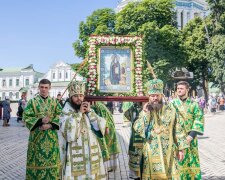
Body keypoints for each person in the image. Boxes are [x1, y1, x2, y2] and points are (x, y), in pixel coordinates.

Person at [133, 79, 189, 179]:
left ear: (161, 95)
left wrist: (181, 149)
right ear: (149, 97)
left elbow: (178, 129)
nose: (155, 98)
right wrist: (146, 115)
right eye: (152, 96)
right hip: (151, 151)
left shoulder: (171, 111)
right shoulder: (145, 111)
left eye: (157, 95)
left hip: (169, 152)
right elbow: (137, 127)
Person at [60, 81, 107, 179]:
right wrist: (79, 114)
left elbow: (99, 127)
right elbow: (68, 133)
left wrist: (89, 112)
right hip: (75, 153)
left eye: (81, 95)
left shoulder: (88, 109)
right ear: (70, 97)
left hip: (91, 152)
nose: (79, 99)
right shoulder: (66, 111)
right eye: (76, 96)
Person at [23, 79, 62, 179]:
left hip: (51, 138)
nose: (43, 89)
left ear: (49, 88)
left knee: (52, 162)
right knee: (37, 162)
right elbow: (26, 117)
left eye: (46, 87)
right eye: (42, 87)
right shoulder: (32, 102)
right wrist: (40, 120)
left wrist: (50, 125)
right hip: (37, 138)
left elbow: (61, 117)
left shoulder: (55, 102)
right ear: (38, 87)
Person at [171, 81, 204, 179]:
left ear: (187, 89)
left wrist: (191, 135)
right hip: (177, 139)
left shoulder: (194, 104)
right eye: (178, 89)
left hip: (191, 139)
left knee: (191, 161)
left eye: (181, 88)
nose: (179, 90)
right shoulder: (172, 104)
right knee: (178, 162)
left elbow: (199, 119)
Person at [123, 102, 143, 179]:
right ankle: (136, 175)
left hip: (145, 138)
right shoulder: (133, 108)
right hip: (134, 136)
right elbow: (126, 114)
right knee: (134, 156)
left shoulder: (149, 107)